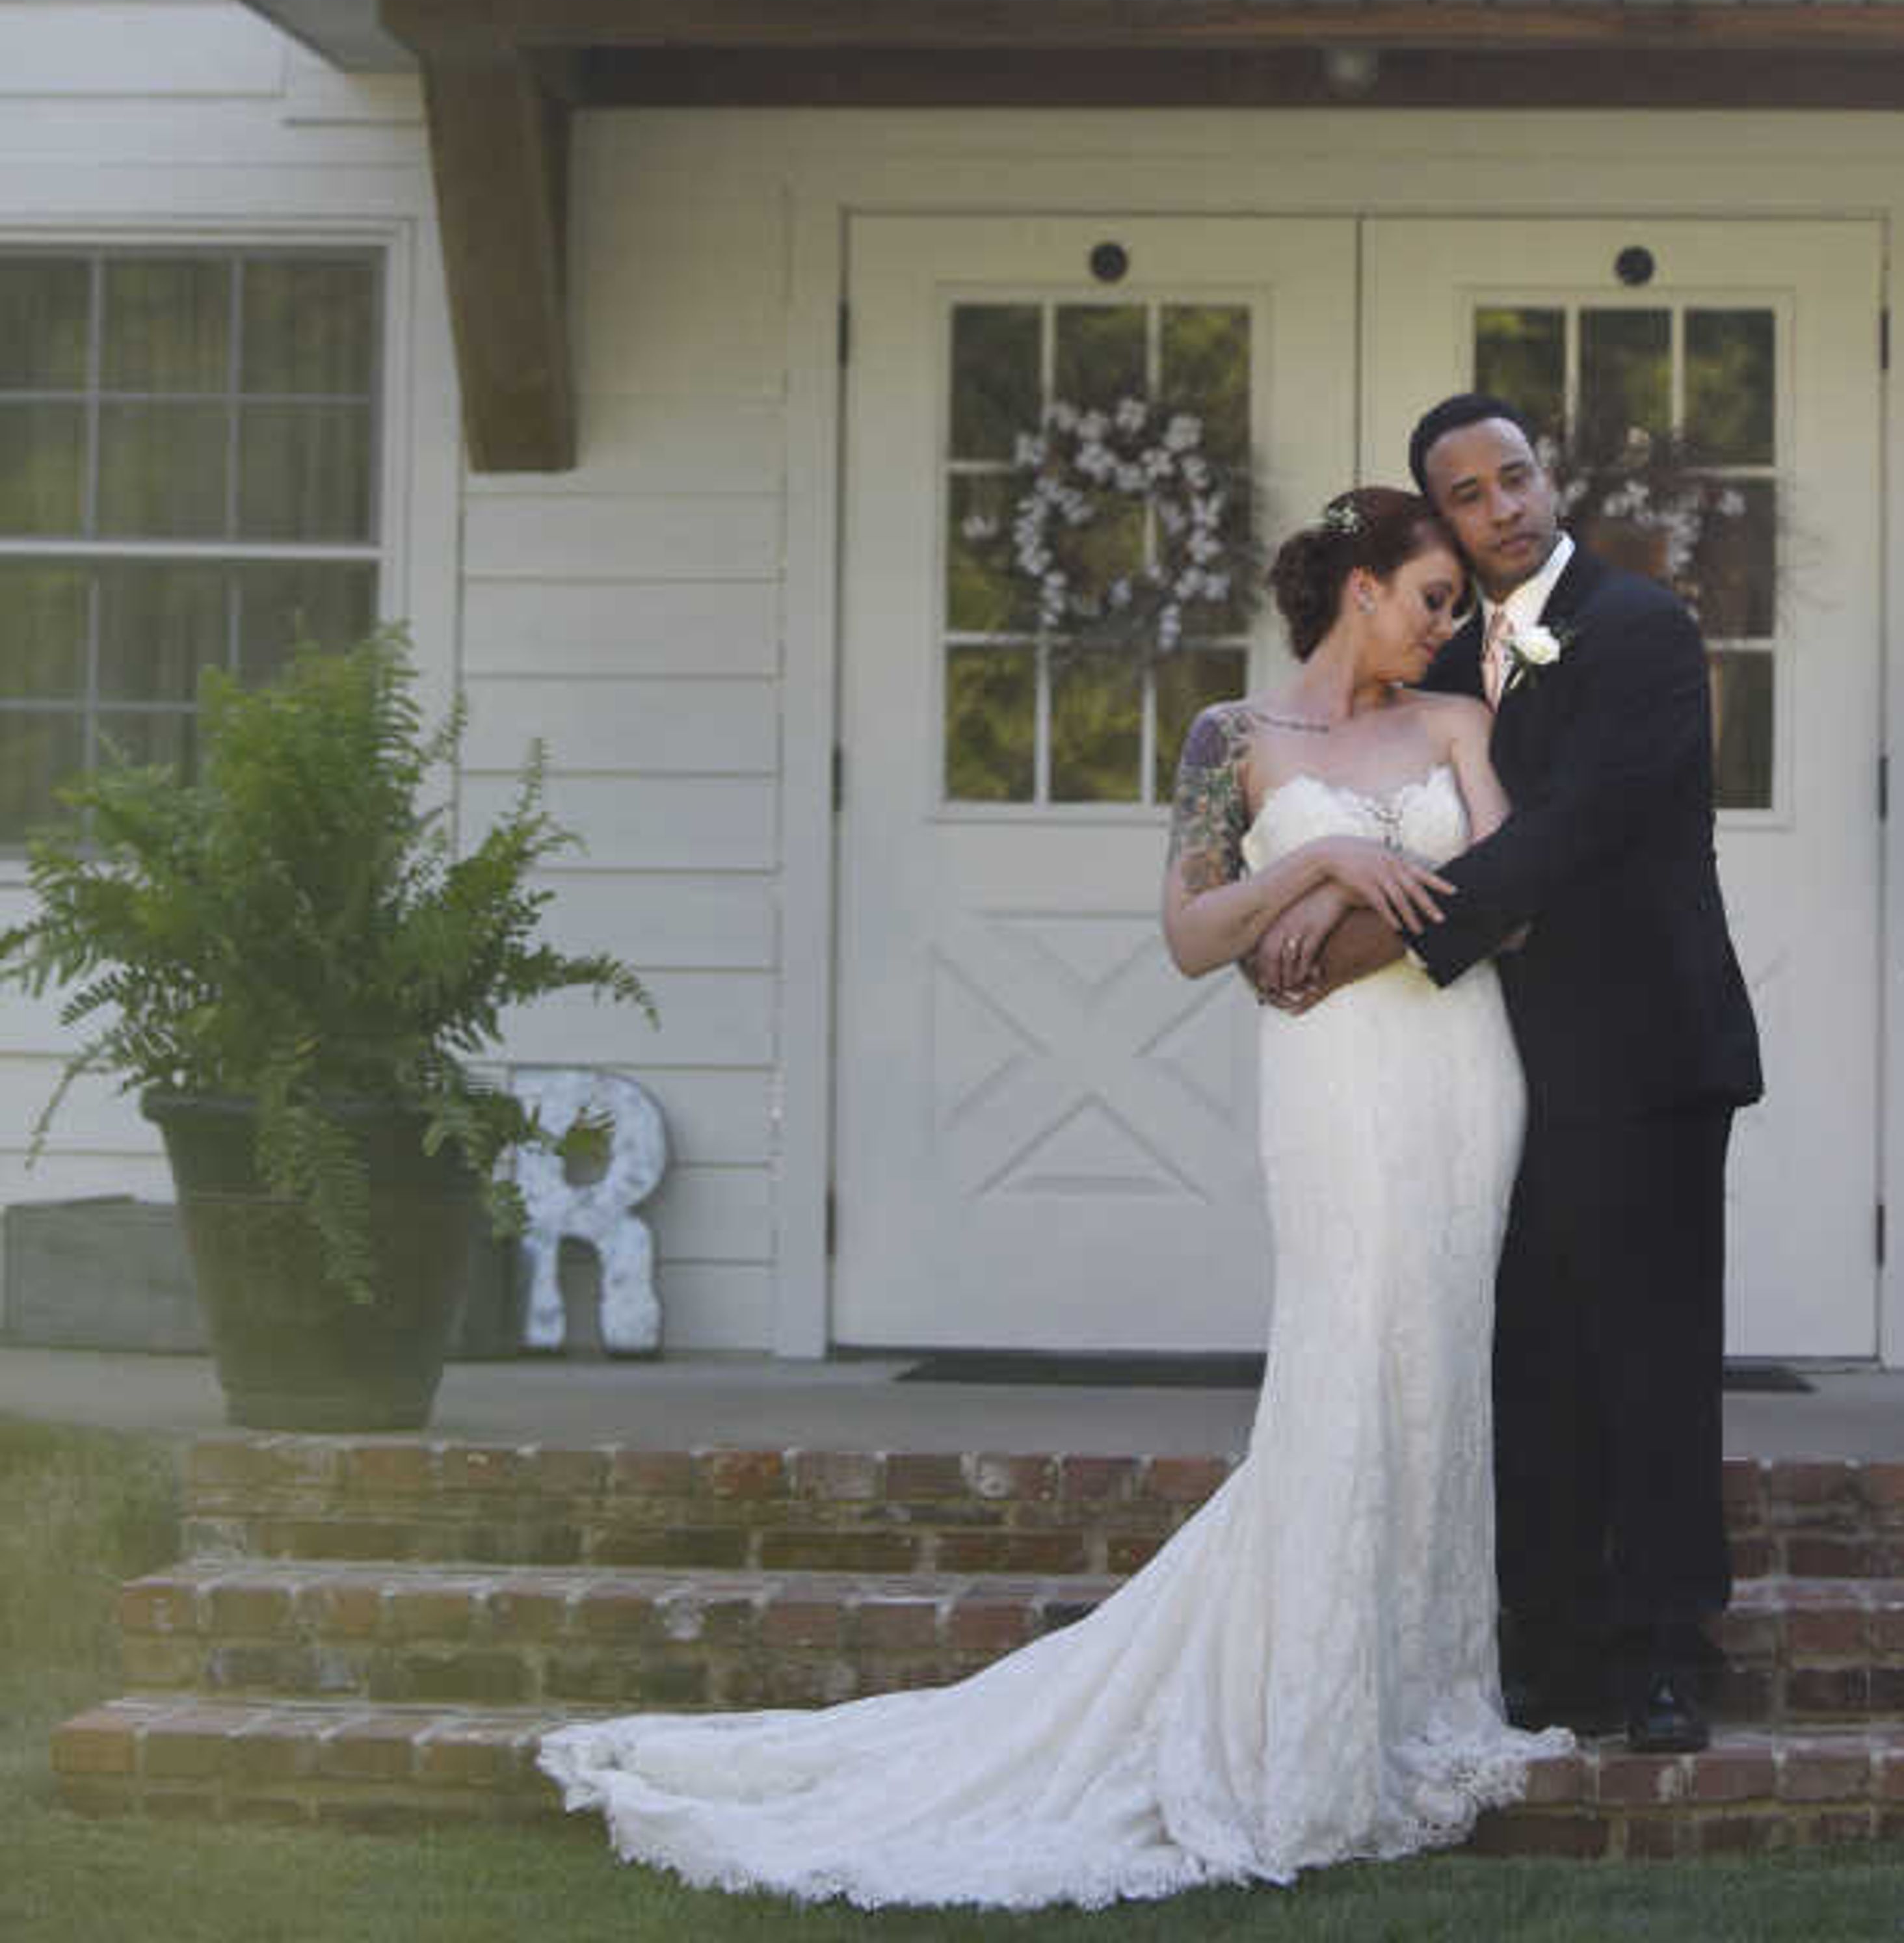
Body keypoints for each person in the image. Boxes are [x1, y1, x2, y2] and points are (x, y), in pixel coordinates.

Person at [540, 484, 1564, 1907]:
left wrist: (1354, 910)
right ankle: (1305, 1719)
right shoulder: (1234, 741)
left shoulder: (1460, 727)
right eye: (1434, 596)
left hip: (1461, 1071)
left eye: (1458, 604)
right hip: (1336, 1087)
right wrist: (1323, 860)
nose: (1451, 624)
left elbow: (1510, 890)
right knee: (1346, 1358)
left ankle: (1413, 1699)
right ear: (1362, 591)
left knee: (1436, 1372)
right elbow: (1195, 936)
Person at [1251, 393, 1760, 1755]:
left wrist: (1352, 944)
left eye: (1516, 477)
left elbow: (1573, 837)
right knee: (1532, 1357)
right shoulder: (1448, 650)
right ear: (1446, 520)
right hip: (1504, 1062)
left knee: (1648, 1353)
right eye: (1468, 496)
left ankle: (1665, 1649)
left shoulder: (1642, 627)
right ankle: (1552, 1643)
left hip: (1646, 1046)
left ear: (1550, 478)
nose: (1503, 510)